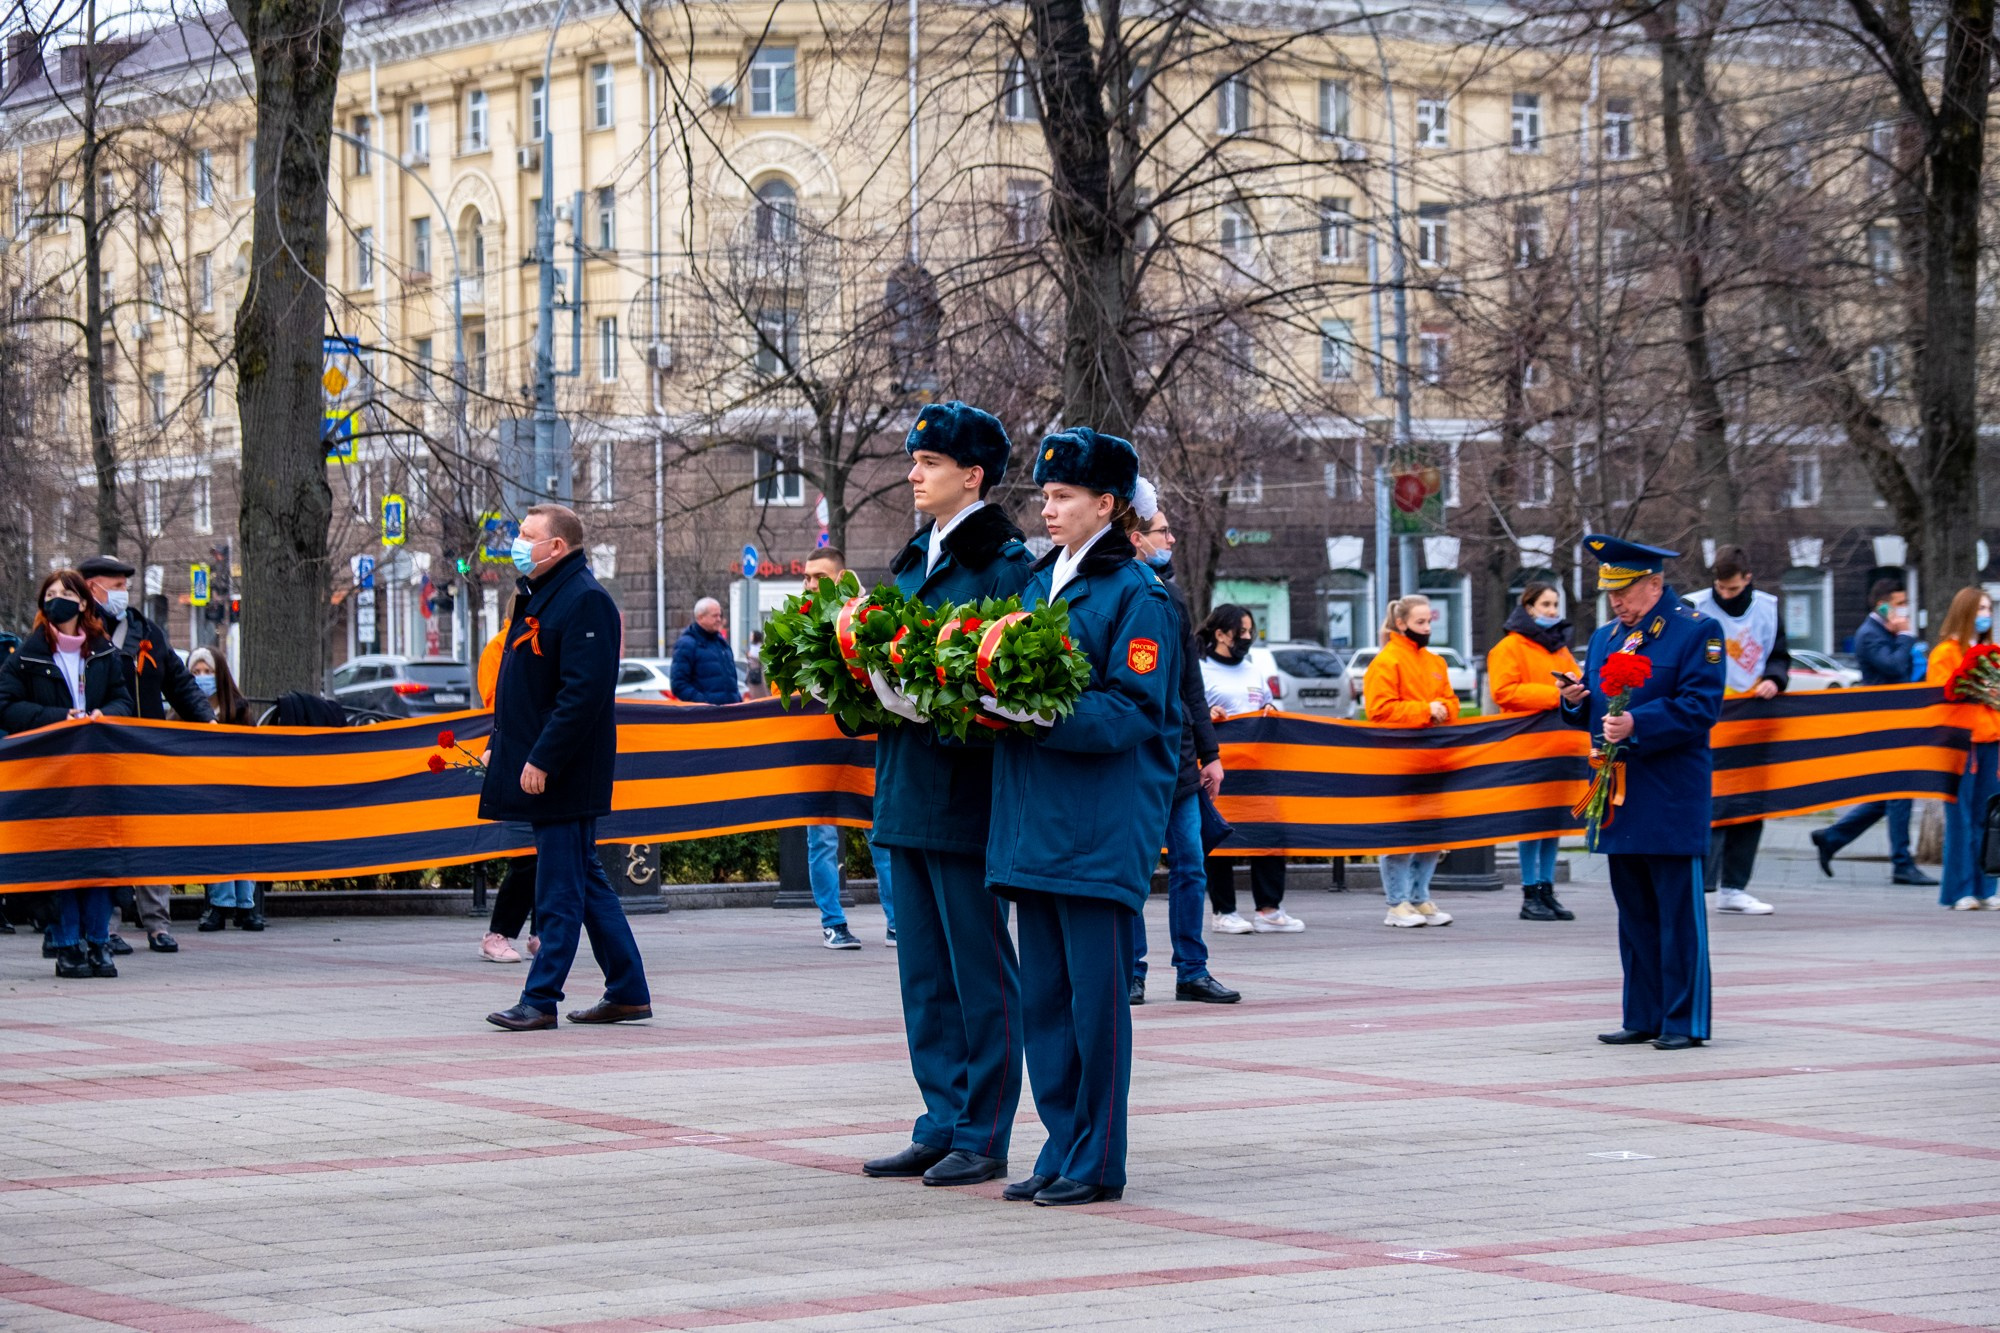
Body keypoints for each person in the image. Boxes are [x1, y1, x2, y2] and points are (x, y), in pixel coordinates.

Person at [986, 426, 1181, 1207]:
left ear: (1108, 504)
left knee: (1094, 1006)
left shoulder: (1138, 594)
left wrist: (1030, 710)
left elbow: (1133, 710)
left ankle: (1099, 1157)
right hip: (1038, 819)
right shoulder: (1041, 583)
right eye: (1045, 494)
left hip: (1097, 827)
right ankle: (1062, 1142)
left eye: (1064, 495)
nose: (1048, 507)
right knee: (1046, 1003)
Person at [859, 401, 1032, 1189]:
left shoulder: (1003, 563)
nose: (913, 473)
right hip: (906, 787)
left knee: (977, 968)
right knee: (923, 974)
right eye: (914, 460)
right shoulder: (913, 558)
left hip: (965, 791)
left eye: (928, 462)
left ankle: (984, 1128)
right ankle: (940, 1117)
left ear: (973, 474)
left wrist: (936, 704)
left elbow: (1011, 684)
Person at [481, 504, 653, 1030]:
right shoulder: (544, 595)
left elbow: (583, 695)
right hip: (546, 766)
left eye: (527, 535)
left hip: (564, 773)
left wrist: (542, 759)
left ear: (557, 546)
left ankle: (540, 999)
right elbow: (524, 687)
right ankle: (627, 991)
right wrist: (500, 744)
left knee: (559, 890)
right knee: (586, 883)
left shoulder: (584, 600)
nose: (517, 541)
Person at [1560, 535, 1725, 1051]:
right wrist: (1572, 701)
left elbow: (1701, 706)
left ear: (1655, 585)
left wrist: (1637, 723)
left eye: (1624, 590)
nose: (1615, 601)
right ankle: (1644, 1014)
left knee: (1678, 916)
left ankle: (1685, 1020)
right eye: (1610, 591)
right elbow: (1596, 711)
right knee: (1634, 915)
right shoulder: (1607, 637)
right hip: (1618, 795)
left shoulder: (1696, 631)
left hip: (1670, 792)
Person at [1124, 479, 1238, 1005]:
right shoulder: (1127, 590)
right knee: (1136, 870)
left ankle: (1192, 969)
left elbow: (1190, 684)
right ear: (1135, 537)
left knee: (1191, 864)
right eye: (1161, 531)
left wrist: (1210, 754)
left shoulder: (1171, 595)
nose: (1169, 539)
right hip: (1139, 758)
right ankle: (1132, 970)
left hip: (1181, 762)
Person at [0, 569, 136, 978]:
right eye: (49, 593)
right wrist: (60, 718)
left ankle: (99, 944)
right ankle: (66, 944)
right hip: (51, 774)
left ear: (82, 602)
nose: (55, 599)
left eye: (64, 593)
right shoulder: (28, 654)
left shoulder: (104, 652)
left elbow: (123, 702)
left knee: (96, 863)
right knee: (61, 862)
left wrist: (101, 716)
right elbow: (6, 705)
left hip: (96, 774)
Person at [80, 553, 212, 955]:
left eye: (125, 587)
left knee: (151, 840)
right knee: (107, 842)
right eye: (116, 586)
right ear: (92, 588)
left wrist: (206, 722)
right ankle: (108, 926)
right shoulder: (79, 634)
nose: (123, 594)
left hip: (145, 755)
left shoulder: (146, 630)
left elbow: (179, 681)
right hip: (99, 756)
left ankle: (157, 924)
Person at [798, 545, 895, 950]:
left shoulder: (863, 619)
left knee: (881, 833)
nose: (808, 585)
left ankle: (897, 921)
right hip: (818, 748)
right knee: (821, 837)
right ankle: (832, 922)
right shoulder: (795, 625)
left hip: (863, 744)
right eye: (805, 577)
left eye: (818, 577)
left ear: (841, 577)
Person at [1811, 578, 1937, 886]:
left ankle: (1831, 837)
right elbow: (1893, 667)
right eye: (1899, 603)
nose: (1904, 609)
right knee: (1898, 793)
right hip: (1884, 723)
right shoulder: (1869, 634)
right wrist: (1906, 637)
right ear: (1882, 604)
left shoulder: (1884, 632)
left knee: (1889, 797)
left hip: (1898, 720)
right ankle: (1901, 864)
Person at [1685, 545, 1787, 916]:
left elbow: (1779, 654)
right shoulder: (1694, 605)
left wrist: (1776, 679)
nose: (1725, 594)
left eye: (1732, 588)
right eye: (1720, 587)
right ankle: (1703, 882)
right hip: (1711, 717)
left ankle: (1735, 887)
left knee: (1749, 803)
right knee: (1711, 800)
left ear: (1747, 579)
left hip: (1752, 717)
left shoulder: (1767, 607)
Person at [1197, 604, 1302, 935]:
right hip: (1219, 768)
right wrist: (1207, 714)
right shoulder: (1200, 668)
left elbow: (1265, 704)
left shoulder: (1253, 669)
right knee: (1221, 839)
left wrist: (1269, 710)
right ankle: (1224, 910)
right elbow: (1189, 709)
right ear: (1220, 634)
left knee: (1270, 833)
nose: (1247, 637)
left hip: (1257, 770)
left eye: (1249, 631)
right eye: (1241, 631)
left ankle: (1269, 909)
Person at [1486, 581, 1580, 922]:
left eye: (1555, 604)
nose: (1552, 611)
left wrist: (1575, 690)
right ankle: (1530, 893)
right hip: (1527, 746)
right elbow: (1505, 692)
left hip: (1558, 743)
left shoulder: (1558, 648)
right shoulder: (1509, 648)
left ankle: (1546, 888)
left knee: (1552, 821)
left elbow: (1576, 681)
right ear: (1528, 608)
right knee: (1532, 823)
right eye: (1545, 604)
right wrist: (1555, 694)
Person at [1364, 595, 1460, 928]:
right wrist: (1426, 711)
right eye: (1420, 622)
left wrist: (1444, 708)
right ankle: (1397, 902)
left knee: (1432, 832)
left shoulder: (1435, 662)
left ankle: (1419, 897)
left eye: (1429, 621)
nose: (1427, 628)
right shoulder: (1386, 662)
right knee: (1402, 833)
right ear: (1402, 623)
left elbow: (1450, 701)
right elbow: (1379, 710)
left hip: (1433, 758)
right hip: (1399, 761)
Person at [1926, 586, 1997, 910]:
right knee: (1961, 820)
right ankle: (1958, 891)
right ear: (1966, 611)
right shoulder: (1945, 653)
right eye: (1980, 609)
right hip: (1960, 748)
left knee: (1988, 817)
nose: (1986, 615)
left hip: (1991, 743)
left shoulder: (1991, 652)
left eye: (1988, 609)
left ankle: (1986, 887)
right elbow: (1940, 699)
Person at [189, 647, 268, 932]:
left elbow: (251, 749)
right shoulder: (185, 711)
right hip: (203, 791)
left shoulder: (238, 708)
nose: (202, 678)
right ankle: (220, 906)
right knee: (217, 846)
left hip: (237, 789)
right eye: (196, 673)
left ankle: (246, 906)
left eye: (208, 672)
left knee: (243, 844)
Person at [474, 628, 540, 962]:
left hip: (545, 752)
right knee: (528, 855)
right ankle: (499, 933)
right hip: (518, 755)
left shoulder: (547, 638)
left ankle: (541, 931)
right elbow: (499, 708)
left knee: (550, 853)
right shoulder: (503, 647)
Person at [669, 597, 742, 705]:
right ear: (700, 617)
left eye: (720, 615)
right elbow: (679, 684)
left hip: (731, 714)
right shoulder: (687, 644)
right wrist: (704, 703)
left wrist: (738, 701)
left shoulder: (722, 643)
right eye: (714, 616)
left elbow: (731, 682)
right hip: (706, 717)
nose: (719, 619)